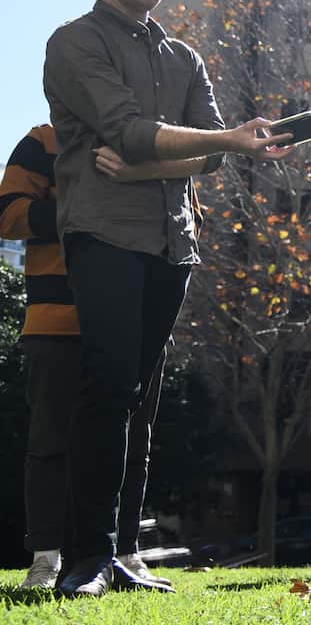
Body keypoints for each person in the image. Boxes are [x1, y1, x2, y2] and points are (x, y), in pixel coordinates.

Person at [42, 0, 293, 597]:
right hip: (104, 233)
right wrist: (217, 144)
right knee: (109, 383)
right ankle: (84, 560)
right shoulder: (74, 44)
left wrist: (158, 168)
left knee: (143, 402)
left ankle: (124, 554)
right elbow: (126, 129)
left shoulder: (184, 58)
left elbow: (209, 155)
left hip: (173, 242)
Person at [0, 124, 188, 589]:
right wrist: (87, 209)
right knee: (50, 443)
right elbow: (7, 215)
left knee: (134, 443)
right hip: (57, 318)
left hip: (140, 325)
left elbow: (184, 219)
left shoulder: (153, 145)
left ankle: (125, 552)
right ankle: (47, 558)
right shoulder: (43, 141)